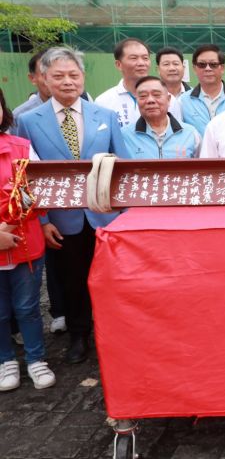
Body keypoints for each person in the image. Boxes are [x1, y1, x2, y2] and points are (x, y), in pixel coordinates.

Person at [16, 47, 129, 364]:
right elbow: (27, 176)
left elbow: (122, 166)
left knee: (111, 279)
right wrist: (42, 222)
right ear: (44, 79)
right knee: (72, 281)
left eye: (73, 75)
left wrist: (124, 218)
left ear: (82, 77)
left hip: (104, 216)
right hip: (60, 220)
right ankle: (80, 336)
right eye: (58, 76)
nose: (67, 82)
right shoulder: (28, 121)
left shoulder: (104, 116)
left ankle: (114, 333)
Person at [0, 87, 56, 392]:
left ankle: (36, 359)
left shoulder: (21, 147)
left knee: (27, 306)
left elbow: (38, 191)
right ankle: (5, 360)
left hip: (23, 240)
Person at [96, 38, 184, 128]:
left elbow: (177, 135)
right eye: (134, 58)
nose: (141, 63)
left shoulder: (168, 99)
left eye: (145, 58)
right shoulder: (103, 102)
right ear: (119, 64)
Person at [122, 76, 200, 159]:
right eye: (143, 96)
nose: (150, 100)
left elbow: (202, 168)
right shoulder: (124, 136)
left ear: (168, 99)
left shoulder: (190, 134)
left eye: (156, 95)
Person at [179, 44, 225, 137]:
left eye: (213, 64)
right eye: (202, 65)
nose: (208, 68)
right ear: (194, 68)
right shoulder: (183, 101)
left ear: (222, 68)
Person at [12, 50, 52, 119]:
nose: (53, 80)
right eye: (44, 75)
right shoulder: (20, 115)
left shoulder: (76, 108)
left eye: (59, 75)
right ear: (32, 78)